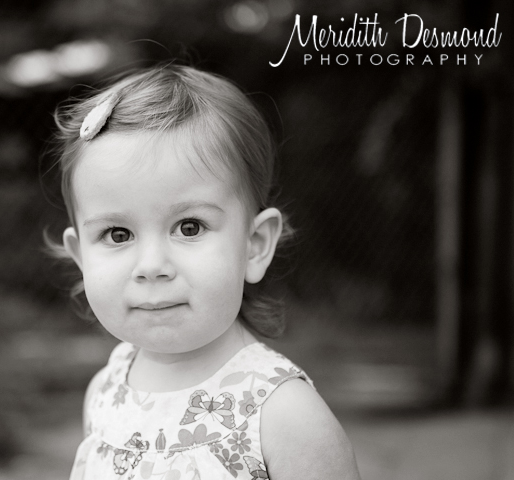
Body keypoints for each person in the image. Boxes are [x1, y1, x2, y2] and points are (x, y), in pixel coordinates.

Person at [50, 64, 360, 480]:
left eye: (189, 227)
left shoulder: (284, 416)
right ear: (81, 256)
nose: (152, 267)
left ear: (254, 245)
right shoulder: (105, 391)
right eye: (118, 234)